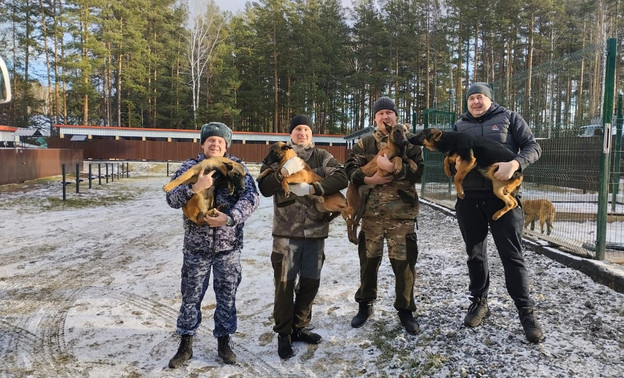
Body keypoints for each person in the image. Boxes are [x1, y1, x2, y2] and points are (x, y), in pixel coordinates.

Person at [453, 82, 544, 343]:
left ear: (489, 100)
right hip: (469, 200)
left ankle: (526, 312)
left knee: (512, 256)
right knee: (475, 254)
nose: (476, 102)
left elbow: (533, 147)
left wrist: (515, 163)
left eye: (480, 97)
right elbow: (451, 156)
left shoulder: (510, 118)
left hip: (505, 202)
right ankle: (479, 302)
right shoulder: (459, 126)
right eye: (471, 98)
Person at [165, 122, 259, 367]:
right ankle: (185, 343)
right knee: (190, 296)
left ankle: (224, 343)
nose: (215, 144)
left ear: (226, 146)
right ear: (203, 144)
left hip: (228, 248)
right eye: (211, 140)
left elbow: (251, 198)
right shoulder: (190, 167)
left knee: (227, 297)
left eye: (220, 141)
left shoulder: (237, 168)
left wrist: (230, 218)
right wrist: (195, 187)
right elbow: (171, 198)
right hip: (196, 248)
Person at [257, 114, 348, 359]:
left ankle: (300, 327)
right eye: (298, 129)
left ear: (312, 133)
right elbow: (264, 188)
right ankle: (284, 334)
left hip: (316, 232)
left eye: (306, 129)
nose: (302, 133)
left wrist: (313, 187)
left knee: (310, 283)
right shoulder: (278, 155)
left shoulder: (321, 156)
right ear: (291, 133)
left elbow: (341, 176)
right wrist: (282, 173)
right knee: (284, 286)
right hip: (286, 233)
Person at [344, 96, 424, 335]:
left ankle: (405, 311)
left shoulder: (409, 144)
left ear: (396, 117)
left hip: (402, 216)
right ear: (375, 118)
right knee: (368, 262)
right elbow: (349, 169)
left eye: (389, 112)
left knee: (404, 265)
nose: (385, 117)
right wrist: (369, 179)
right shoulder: (365, 143)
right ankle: (365, 305)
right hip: (370, 216)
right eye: (381, 113)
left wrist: (393, 170)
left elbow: (418, 174)